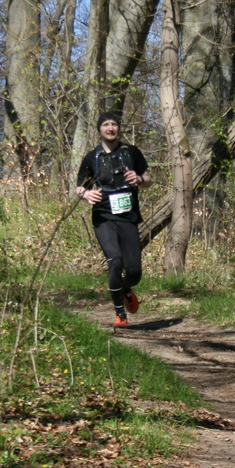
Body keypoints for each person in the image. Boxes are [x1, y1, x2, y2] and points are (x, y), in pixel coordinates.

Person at [76, 112, 151, 328]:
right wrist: (86, 194)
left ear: (118, 128)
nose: (111, 128)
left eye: (114, 124)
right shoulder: (92, 157)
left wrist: (138, 179)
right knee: (115, 260)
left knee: (134, 271)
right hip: (103, 217)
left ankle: (126, 288)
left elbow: (148, 179)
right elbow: (79, 187)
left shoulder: (131, 152)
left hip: (128, 217)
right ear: (99, 130)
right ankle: (120, 314)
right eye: (106, 125)